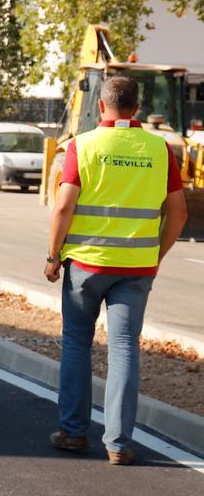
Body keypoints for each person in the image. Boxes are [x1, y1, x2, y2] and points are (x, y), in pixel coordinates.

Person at [45, 75, 187, 465]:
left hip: (87, 267)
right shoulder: (160, 150)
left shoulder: (83, 145)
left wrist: (53, 255)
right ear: (137, 108)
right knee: (124, 348)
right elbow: (178, 214)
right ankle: (119, 443)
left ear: (101, 106)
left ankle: (74, 432)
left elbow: (62, 206)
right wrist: (156, 255)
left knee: (77, 343)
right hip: (136, 268)